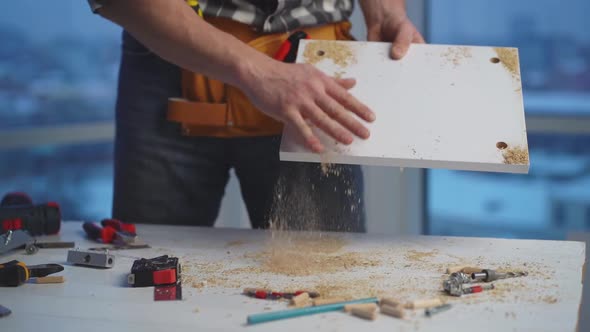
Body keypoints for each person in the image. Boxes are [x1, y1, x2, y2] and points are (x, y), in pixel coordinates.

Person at [89, 0, 424, 231]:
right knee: (148, 275)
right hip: (172, 50)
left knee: (323, 285)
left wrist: (386, 13)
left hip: (314, 71)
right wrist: (256, 71)